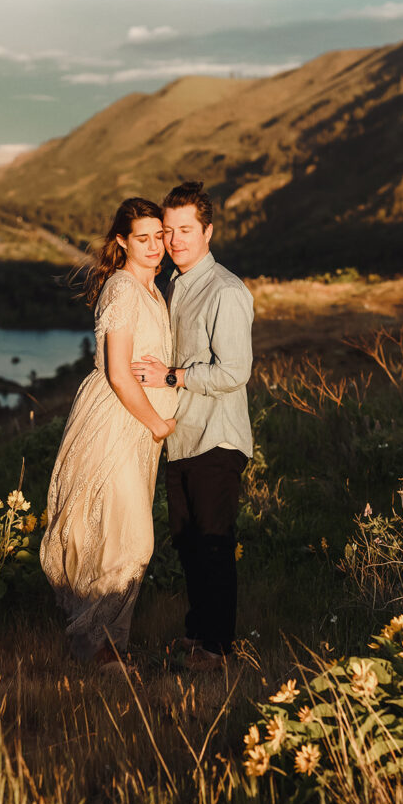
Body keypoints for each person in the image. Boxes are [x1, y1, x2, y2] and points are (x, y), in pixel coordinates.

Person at [40, 198, 177, 667]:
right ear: (122, 241)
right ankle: (96, 645)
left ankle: (107, 642)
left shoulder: (155, 290)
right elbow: (119, 374)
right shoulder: (121, 290)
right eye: (143, 239)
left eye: (159, 236)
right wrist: (160, 423)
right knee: (128, 536)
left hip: (138, 430)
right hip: (116, 421)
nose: (155, 246)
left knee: (115, 531)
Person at [131, 181, 253, 669]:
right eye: (168, 230)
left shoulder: (225, 290)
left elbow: (234, 371)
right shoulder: (177, 284)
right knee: (187, 540)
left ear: (207, 231)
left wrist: (170, 375)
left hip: (217, 437)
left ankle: (219, 650)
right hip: (182, 436)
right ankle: (199, 634)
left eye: (186, 229)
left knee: (214, 542)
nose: (175, 239)